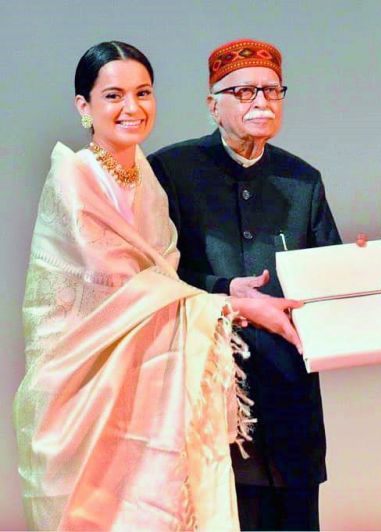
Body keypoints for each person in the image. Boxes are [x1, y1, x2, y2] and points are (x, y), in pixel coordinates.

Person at [13, 41, 304, 530]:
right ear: (83, 107)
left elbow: (161, 283)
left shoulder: (146, 178)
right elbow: (120, 293)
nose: (132, 108)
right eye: (113, 96)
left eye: (143, 93)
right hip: (83, 385)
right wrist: (232, 306)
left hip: (148, 388)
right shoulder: (74, 177)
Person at [148, 38, 340, 531]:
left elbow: (326, 274)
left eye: (273, 90)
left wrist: (351, 273)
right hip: (208, 394)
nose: (261, 101)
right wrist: (220, 290)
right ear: (213, 105)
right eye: (245, 91)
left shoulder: (303, 180)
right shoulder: (171, 171)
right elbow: (152, 277)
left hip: (291, 397)